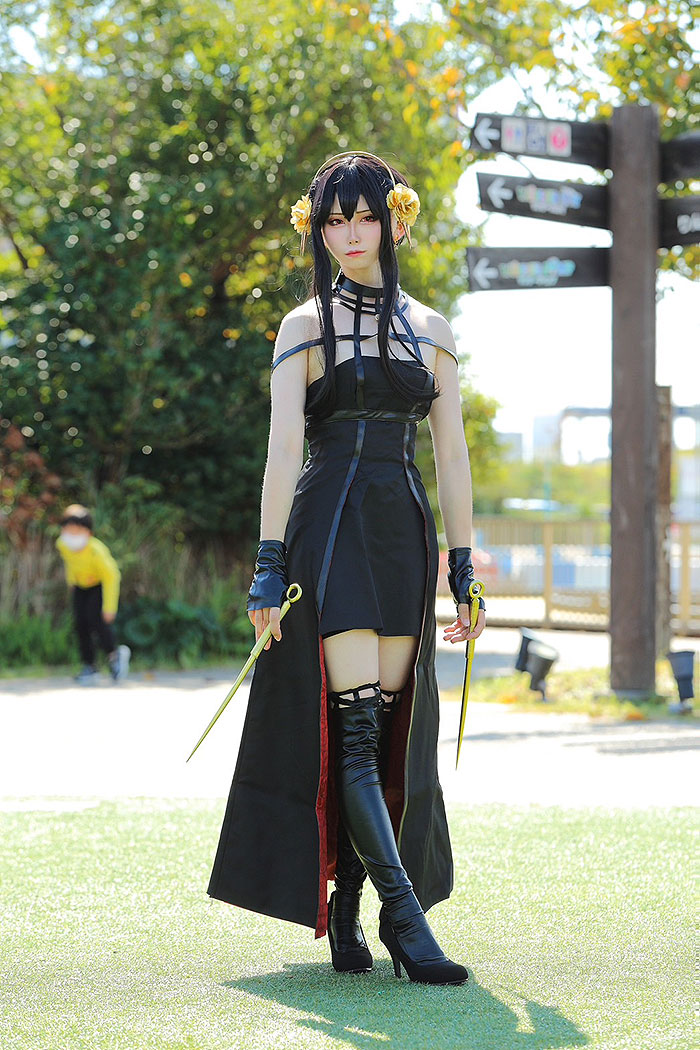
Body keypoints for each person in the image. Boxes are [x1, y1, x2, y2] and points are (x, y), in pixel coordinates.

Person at [207, 151, 485, 985]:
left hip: (403, 528)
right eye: (334, 220)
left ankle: (348, 908)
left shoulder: (432, 328)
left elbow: (453, 455)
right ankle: (407, 920)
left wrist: (463, 565)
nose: (351, 234)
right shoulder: (304, 326)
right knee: (356, 733)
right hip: (328, 527)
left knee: (389, 734)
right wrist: (268, 566)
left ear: (396, 221)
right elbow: (282, 451)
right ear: (318, 230)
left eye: (364, 217)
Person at [55, 504, 131, 684]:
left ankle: (115, 656)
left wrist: (109, 608)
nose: (71, 535)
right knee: (80, 624)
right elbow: (70, 563)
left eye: (76, 531)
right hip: (80, 587)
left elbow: (112, 577)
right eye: (68, 531)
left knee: (97, 620)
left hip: (99, 586)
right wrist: (71, 582)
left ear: (88, 532)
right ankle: (89, 666)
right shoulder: (62, 544)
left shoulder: (96, 550)